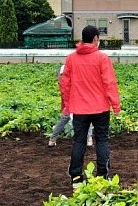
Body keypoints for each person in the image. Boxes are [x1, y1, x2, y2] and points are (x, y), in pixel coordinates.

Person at [61, 25, 121, 188]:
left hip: (79, 108)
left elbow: (65, 84)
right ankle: (102, 176)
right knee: (102, 140)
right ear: (95, 39)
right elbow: (109, 82)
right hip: (100, 107)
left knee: (79, 141)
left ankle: (76, 178)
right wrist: (115, 105)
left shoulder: (71, 58)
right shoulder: (102, 58)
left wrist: (66, 104)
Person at [48, 64, 94, 147]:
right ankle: (89, 139)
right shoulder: (74, 80)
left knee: (64, 120)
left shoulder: (62, 82)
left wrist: (65, 107)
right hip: (77, 103)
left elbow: (64, 96)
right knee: (86, 119)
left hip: (71, 104)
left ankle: (52, 139)